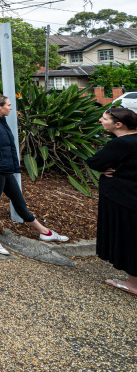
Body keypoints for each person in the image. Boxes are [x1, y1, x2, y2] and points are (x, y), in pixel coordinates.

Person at [0, 94, 69, 255]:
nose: (11, 108)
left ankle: (44, 232)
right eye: (9, 105)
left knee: (19, 202)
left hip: (3, 167)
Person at [86, 106, 137, 296]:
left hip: (123, 197)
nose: (101, 120)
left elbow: (94, 161)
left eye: (104, 118)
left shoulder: (120, 143)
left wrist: (104, 167)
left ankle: (134, 284)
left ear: (118, 124)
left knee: (129, 238)